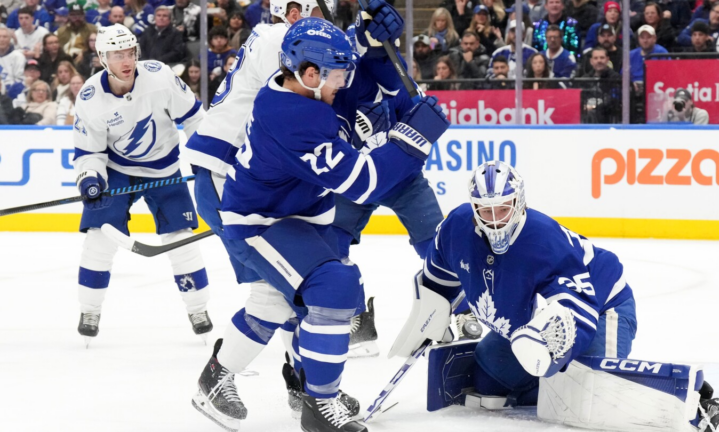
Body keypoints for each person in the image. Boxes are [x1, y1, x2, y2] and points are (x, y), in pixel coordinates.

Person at [189, 17, 449, 432]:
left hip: (293, 216)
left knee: (279, 303)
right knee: (334, 286)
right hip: (260, 224)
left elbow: (361, 82)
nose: (344, 82)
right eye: (337, 73)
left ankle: (229, 381)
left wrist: (369, 37)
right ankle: (318, 402)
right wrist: (413, 139)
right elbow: (364, 183)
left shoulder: (305, 88)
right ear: (311, 73)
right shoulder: (293, 118)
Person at [416, 159, 637, 410]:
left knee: (592, 398)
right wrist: (427, 317)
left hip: (600, 304)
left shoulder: (543, 241)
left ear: (519, 202)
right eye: (486, 211)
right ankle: (549, 389)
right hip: (546, 313)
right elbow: (437, 279)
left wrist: (550, 345)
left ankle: (565, 386)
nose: (495, 221)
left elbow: (578, 309)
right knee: (488, 379)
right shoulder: (455, 227)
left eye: (503, 209)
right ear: (474, 207)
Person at [72, 24, 212, 346]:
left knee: (181, 241)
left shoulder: (159, 77)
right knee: (99, 238)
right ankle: (90, 310)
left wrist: (206, 161)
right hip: (118, 170)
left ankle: (198, 309)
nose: (126, 61)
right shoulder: (90, 98)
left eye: (130, 52)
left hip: (164, 168)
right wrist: (90, 177)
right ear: (102, 58)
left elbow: (195, 118)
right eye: (117, 54)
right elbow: (89, 153)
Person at [578, 46, 620, 123]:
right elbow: (580, 98)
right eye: (596, 58)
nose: (599, 61)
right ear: (591, 61)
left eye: (602, 58)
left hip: (607, 116)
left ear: (607, 60)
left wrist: (595, 107)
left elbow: (614, 100)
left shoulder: (615, 78)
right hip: (586, 114)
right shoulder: (585, 79)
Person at [0, 25, 26, 99]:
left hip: (12, 96)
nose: (1, 39)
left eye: (5, 37)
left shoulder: (18, 56)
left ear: (10, 39)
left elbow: (21, 81)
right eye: (0, 36)